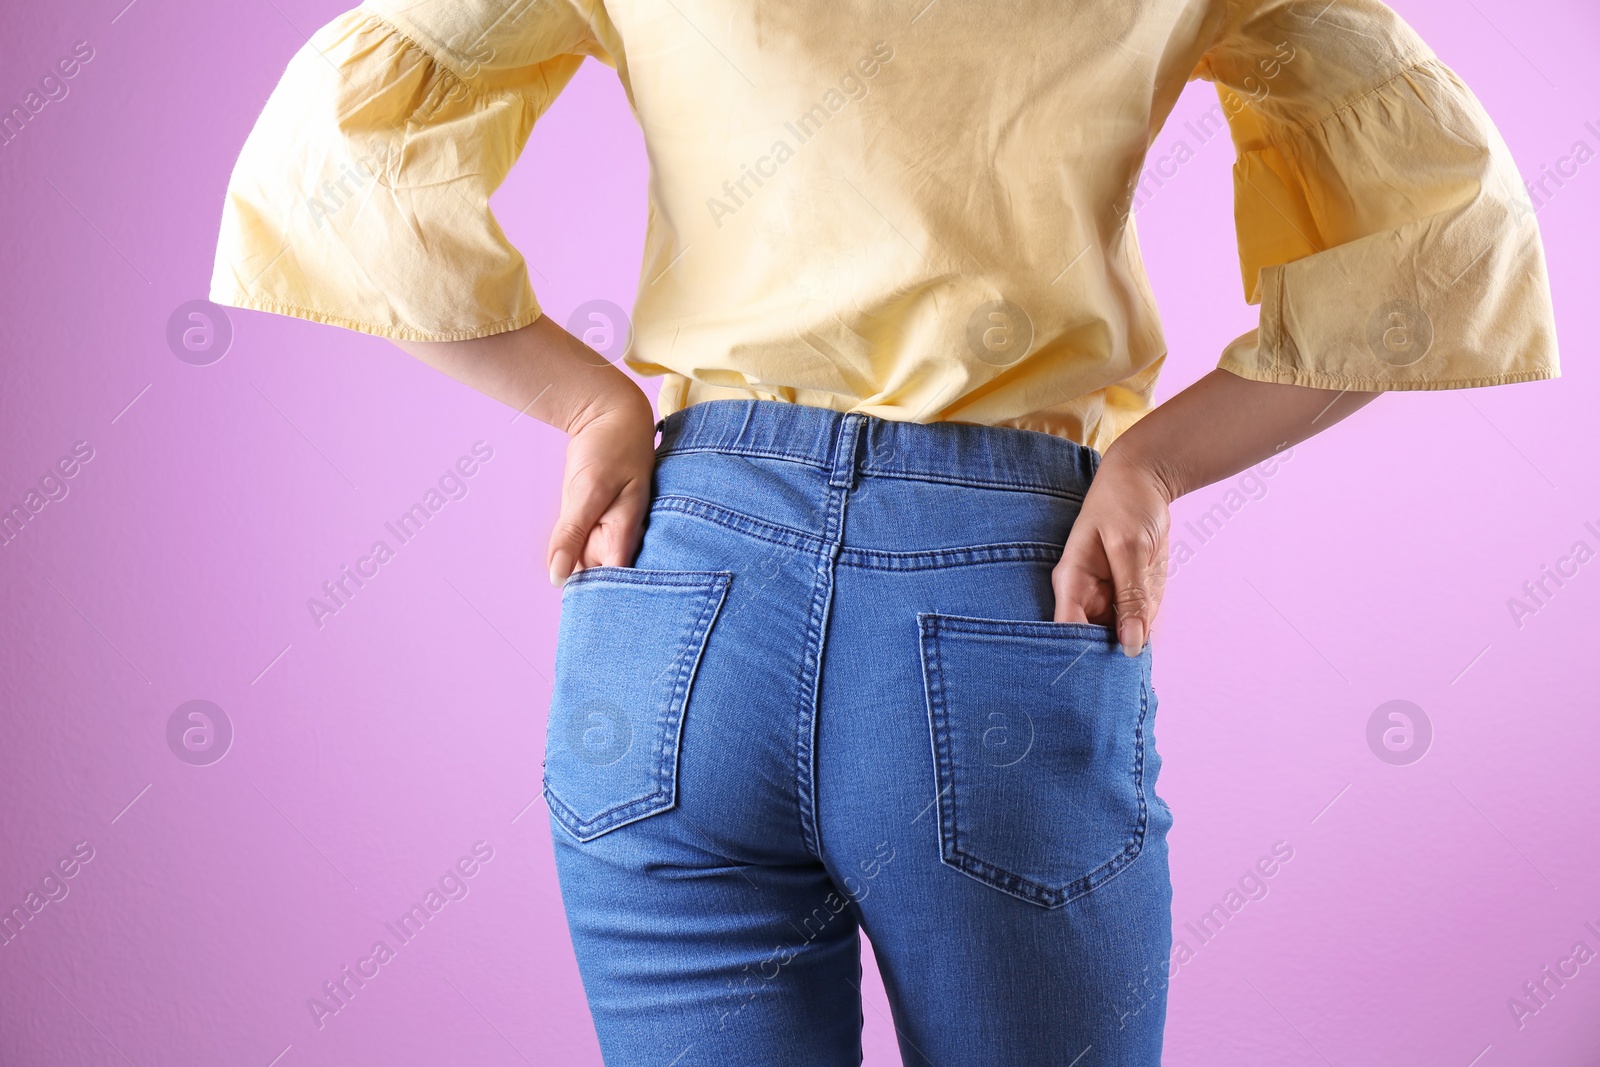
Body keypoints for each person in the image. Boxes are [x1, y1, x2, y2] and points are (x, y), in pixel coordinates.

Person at [210, 0, 1558, 1062]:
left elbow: (336, 157)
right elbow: (1439, 239)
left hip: (678, 588)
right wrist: (1150, 465)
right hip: (1003, 598)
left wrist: (589, 402)